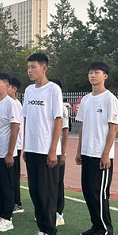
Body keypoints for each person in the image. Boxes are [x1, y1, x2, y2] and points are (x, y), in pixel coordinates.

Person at [22, 53, 63, 235]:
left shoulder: (53, 89)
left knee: (47, 193)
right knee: (35, 192)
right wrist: (25, 146)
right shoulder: (29, 90)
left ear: (44, 68)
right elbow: (26, 119)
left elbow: (58, 120)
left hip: (46, 150)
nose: (30, 71)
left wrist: (53, 150)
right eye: (28, 67)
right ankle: (42, 230)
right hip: (31, 149)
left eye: (33, 67)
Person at [75, 61, 118, 235]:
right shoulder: (86, 99)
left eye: (96, 72)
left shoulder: (109, 99)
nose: (92, 76)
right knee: (87, 191)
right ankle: (96, 226)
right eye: (90, 73)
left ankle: (106, 230)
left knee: (99, 192)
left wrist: (106, 153)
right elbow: (82, 126)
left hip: (101, 155)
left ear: (105, 76)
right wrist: (79, 150)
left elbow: (113, 127)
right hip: (87, 152)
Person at [0, 72, 20, 233]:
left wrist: (10, 153)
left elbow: (15, 128)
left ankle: (7, 218)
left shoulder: (11, 103)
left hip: (5, 152)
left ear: (7, 86)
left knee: (6, 186)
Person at [50, 79, 69, 226]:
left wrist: (63, 153)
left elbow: (65, 130)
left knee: (57, 182)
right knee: (49, 183)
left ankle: (58, 213)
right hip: (47, 150)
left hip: (57, 151)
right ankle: (50, 212)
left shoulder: (62, 108)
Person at [8, 76, 25, 215]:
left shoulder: (15, 104)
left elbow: (16, 127)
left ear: (14, 89)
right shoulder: (8, 103)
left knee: (13, 175)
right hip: (11, 145)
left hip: (15, 145)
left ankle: (17, 202)